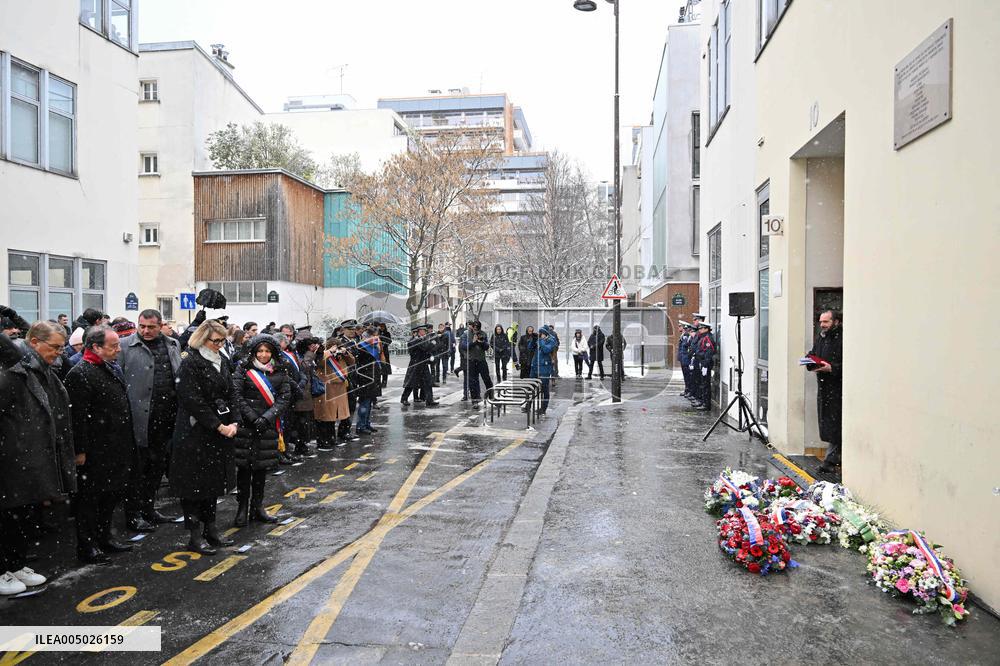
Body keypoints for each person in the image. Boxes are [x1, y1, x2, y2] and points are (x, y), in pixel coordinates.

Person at [0, 318, 75, 594]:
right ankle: (3, 570)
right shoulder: (12, 375)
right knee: (10, 517)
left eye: (62, 347)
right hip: (13, 460)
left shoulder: (40, 371)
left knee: (25, 515)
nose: (59, 353)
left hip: (31, 459)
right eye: (55, 347)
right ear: (34, 343)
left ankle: (16, 564)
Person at [64, 326, 138, 564]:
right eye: (113, 346)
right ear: (95, 347)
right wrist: (80, 450)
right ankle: (87, 546)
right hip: (95, 450)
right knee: (90, 500)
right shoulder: (80, 373)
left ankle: (105, 537)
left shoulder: (108, 367)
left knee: (110, 496)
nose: (118, 349)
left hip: (116, 446)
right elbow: (77, 417)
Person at [169, 320, 238, 555]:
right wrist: (218, 425)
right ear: (202, 339)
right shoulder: (191, 363)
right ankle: (195, 535)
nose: (219, 345)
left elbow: (231, 393)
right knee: (193, 486)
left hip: (218, 432)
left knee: (212, 484)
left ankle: (211, 529)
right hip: (195, 433)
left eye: (222, 340)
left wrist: (234, 420)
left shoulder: (222, 360)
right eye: (215, 341)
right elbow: (192, 400)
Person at [119, 309, 182, 532]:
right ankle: (133, 514)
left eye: (151, 327)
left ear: (160, 325)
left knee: (157, 466)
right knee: (137, 470)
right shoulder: (125, 346)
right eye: (142, 326)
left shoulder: (173, 344)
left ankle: (148, 508)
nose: (146, 331)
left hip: (167, 417)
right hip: (139, 419)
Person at [232, 335, 290, 526]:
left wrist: (266, 418)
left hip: (267, 426)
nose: (263, 355)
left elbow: (284, 398)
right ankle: (242, 508)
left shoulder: (280, 371)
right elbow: (236, 395)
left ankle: (257, 507)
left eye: (267, 351)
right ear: (254, 352)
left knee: (260, 470)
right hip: (246, 426)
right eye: (260, 351)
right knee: (244, 470)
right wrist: (252, 417)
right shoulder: (243, 368)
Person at [808, 310, 844, 473]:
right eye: (821, 321)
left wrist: (833, 368)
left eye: (826, 322)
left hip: (837, 388)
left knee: (835, 424)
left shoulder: (842, 338)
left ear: (836, 322)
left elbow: (849, 363)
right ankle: (832, 458)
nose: (822, 325)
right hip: (824, 388)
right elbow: (813, 353)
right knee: (827, 423)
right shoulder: (822, 337)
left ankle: (831, 460)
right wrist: (810, 362)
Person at [314, 337, 354, 450]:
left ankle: (332, 439)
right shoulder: (324, 355)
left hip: (340, 388)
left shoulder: (341, 356)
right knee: (326, 416)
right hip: (327, 389)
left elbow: (352, 362)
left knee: (334, 416)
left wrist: (345, 352)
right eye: (335, 346)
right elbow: (319, 362)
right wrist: (329, 352)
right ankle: (324, 441)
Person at [352, 327, 382, 434]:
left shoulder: (374, 346)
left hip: (373, 377)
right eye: (374, 336)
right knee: (364, 403)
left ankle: (367, 423)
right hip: (365, 378)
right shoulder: (361, 347)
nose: (377, 338)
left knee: (369, 403)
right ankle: (361, 426)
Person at [401, 324, 438, 407]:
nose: (425, 332)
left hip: (422, 364)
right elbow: (425, 348)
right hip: (416, 364)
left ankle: (429, 400)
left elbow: (426, 350)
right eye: (423, 331)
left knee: (428, 382)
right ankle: (404, 398)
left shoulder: (421, 339)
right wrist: (433, 342)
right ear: (419, 332)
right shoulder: (416, 340)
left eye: (425, 331)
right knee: (411, 383)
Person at [461, 322, 492, 407]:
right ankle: (475, 400)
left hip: (481, 360)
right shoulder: (466, 334)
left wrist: (481, 342)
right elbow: (463, 346)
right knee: (472, 381)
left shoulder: (483, 334)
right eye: (474, 328)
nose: (475, 330)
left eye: (477, 328)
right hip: (471, 360)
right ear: (472, 327)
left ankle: (491, 397)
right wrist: (473, 342)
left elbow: (486, 347)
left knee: (486, 379)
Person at [531, 326, 558, 415]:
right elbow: (530, 348)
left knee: (544, 389)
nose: (540, 335)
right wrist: (533, 340)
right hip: (535, 367)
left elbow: (546, 350)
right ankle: (528, 405)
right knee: (531, 387)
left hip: (545, 368)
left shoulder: (551, 340)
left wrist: (541, 341)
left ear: (545, 334)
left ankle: (543, 408)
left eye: (541, 333)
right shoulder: (539, 340)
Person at [692, 321, 715, 412]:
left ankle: (706, 404)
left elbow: (709, 352)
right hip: (702, 362)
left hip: (706, 363)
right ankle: (703, 401)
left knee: (705, 384)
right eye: (700, 328)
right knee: (703, 383)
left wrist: (705, 364)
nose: (700, 330)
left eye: (702, 328)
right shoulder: (704, 337)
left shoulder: (708, 338)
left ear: (706, 329)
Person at [677, 322, 695, 398]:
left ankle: (689, 390)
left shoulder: (686, 336)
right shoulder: (683, 336)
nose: (678, 327)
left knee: (688, 376)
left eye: (680, 326)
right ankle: (687, 390)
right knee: (686, 376)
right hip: (683, 358)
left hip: (686, 359)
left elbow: (686, 348)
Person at [377, 322, 392, 389]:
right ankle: (379, 382)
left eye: (383, 326)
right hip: (379, 351)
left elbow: (389, 341)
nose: (382, 328)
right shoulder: (378, 333)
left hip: (385, 351)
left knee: (385, 367)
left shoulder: (387, 333)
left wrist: (384, 342)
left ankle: (384, 382)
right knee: (379, 367)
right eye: (381, 326)